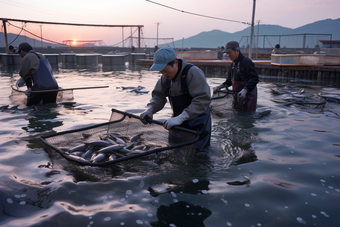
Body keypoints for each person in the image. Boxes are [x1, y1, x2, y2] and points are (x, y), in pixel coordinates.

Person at [140, 47, 212, 151]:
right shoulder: (165, 78)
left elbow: (203, 99)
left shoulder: (193, 73)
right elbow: (158, 96)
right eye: (161, 71)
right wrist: (150, 109)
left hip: (198, 124)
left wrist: (181, 117)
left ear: (175, 63)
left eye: (165, 69)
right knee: (174, 151)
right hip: (177, 123)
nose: (164, 73)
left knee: (199, 155)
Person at [213, 41, 259, 112]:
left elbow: (255, 78)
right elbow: (229, 81)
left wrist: (245, 90)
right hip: (237, 96)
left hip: (248, 96)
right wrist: (220, 86)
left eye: (229, 53)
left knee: (246, 117)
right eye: (227, 53)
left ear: (237, 51)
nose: (228, 55)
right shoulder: (232, 65)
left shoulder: (246, 61)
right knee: (236, 114)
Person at [18, 42, 59, 106]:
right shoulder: (42, 56)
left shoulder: (27, 57)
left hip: (40, 88)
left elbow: (25, 74)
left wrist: (29, 88)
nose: (20, 55)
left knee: (30, 107)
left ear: (22, 51)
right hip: (54, 87)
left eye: (19, 52)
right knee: (50, 107)